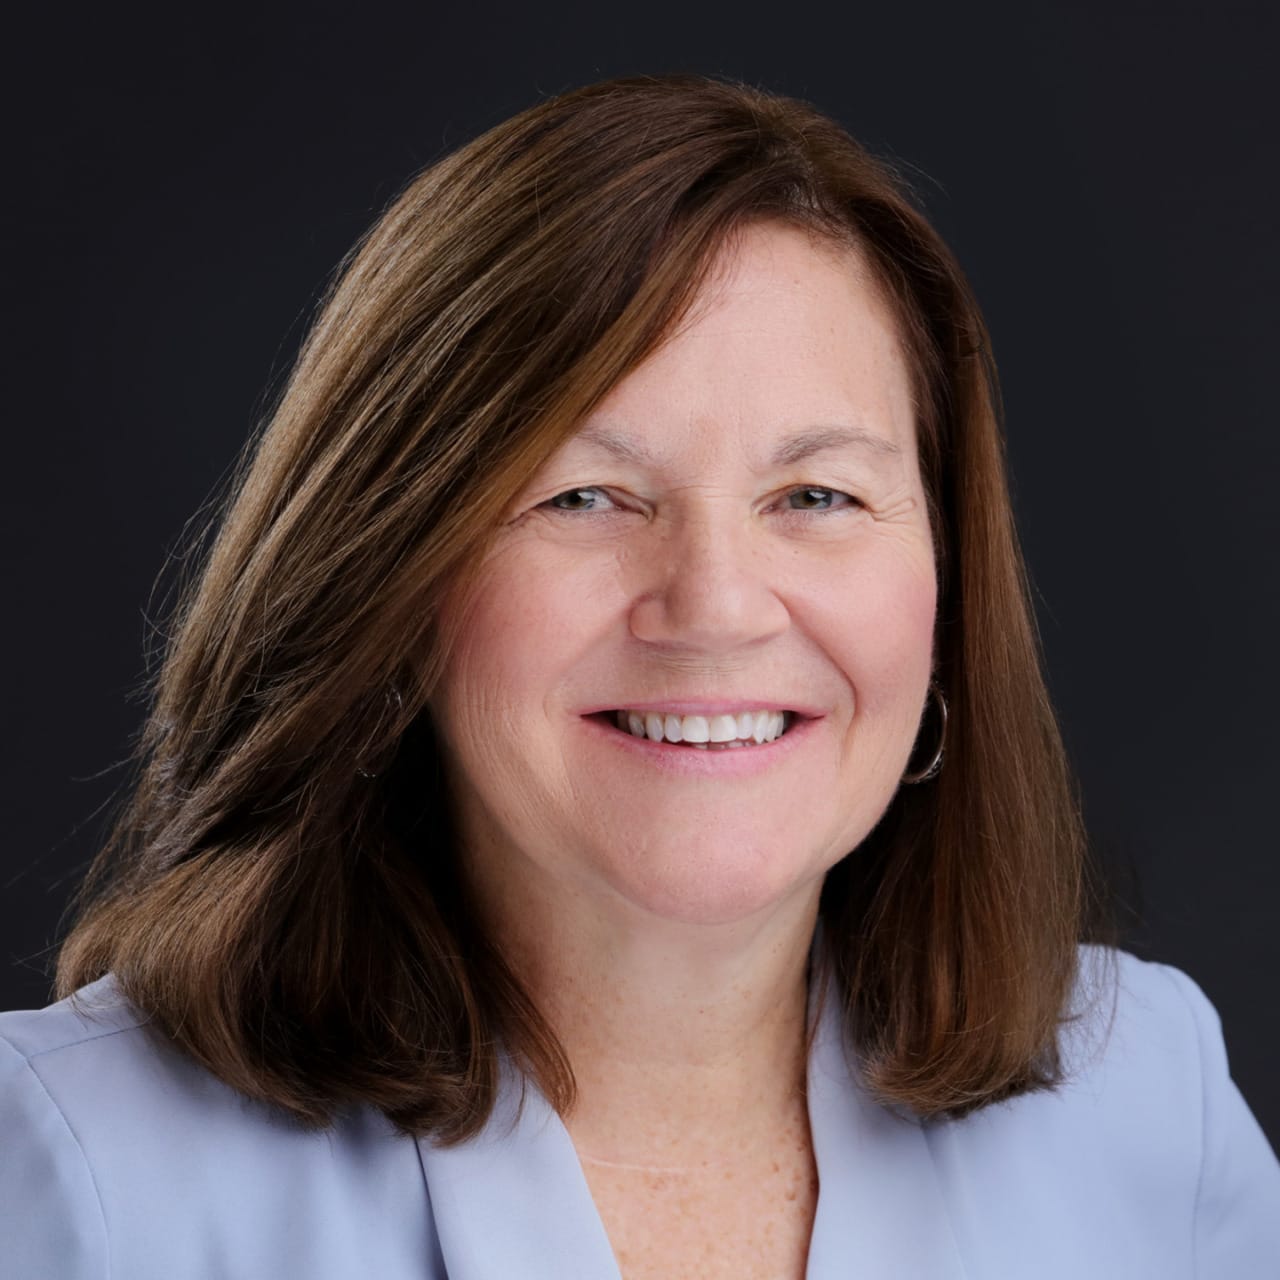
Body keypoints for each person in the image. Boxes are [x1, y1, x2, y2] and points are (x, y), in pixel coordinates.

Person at [2, 73, 1276, 1279]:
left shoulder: (1140, 1102)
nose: (714, 604)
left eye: (816, 493)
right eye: (586, 494)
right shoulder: (78, 1165)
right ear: (392, 581)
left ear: (943, 593)